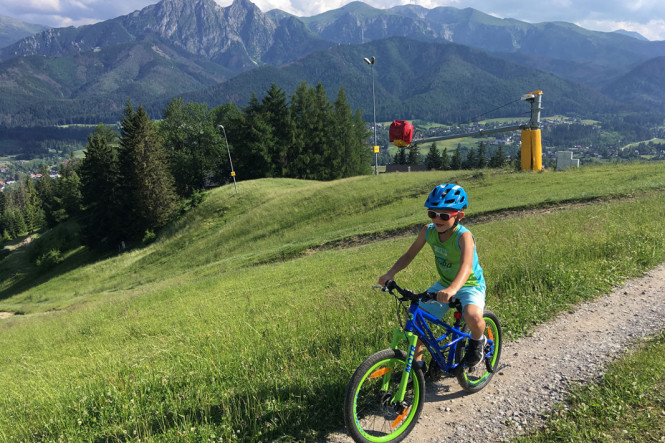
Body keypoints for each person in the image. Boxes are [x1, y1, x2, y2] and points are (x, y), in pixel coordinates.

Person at [378, 183, 487, 369]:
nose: (437, 219)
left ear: (459, 216)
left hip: (470, 285)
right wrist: (390, 273)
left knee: (472, 316)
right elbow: (408, 255)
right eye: (432, 213)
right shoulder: (428, 231)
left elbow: (466, 266)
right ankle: (417, 367)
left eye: (444, 216)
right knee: (414, 318)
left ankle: (478, 341)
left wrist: (452, 289)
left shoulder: (464, 236)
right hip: (444, 284)